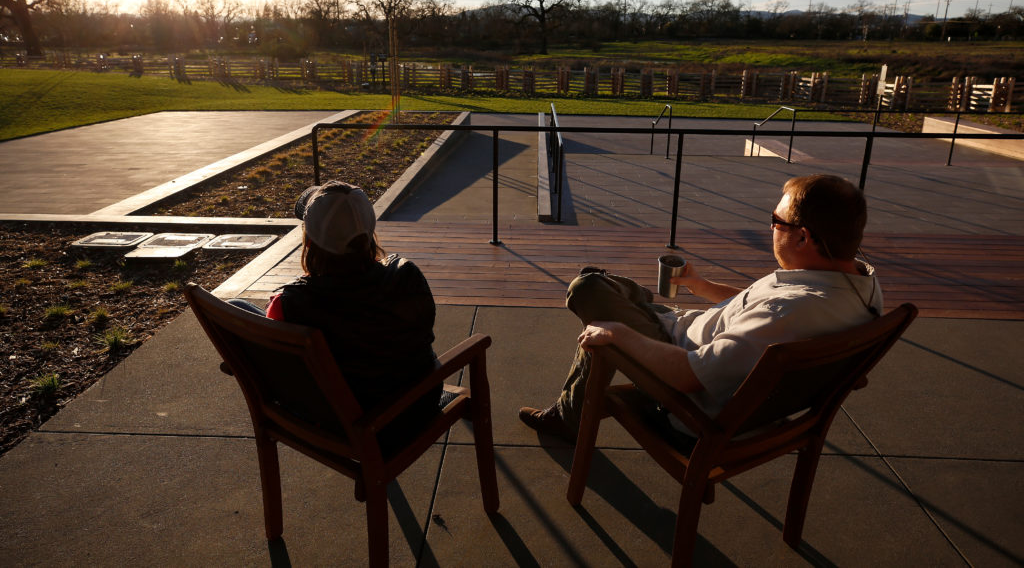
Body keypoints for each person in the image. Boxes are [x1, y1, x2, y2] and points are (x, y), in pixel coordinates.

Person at [519, 174, 883, 443]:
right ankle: (629, 309)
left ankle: (569, 415)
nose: (771, 227)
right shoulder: (860, 285)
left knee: (588, 289)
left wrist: (619, 333)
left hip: (683, 387)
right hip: (692, 333)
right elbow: (763, 315)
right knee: (604, 291)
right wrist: (703, 287)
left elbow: (690, 377)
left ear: (803, 237)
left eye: (776, 221)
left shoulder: (788, 312)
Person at [233, 180, 443, 447]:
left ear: (310, 240)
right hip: (416, 407)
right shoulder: (406, 275)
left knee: (237, 308)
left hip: (343, 423)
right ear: (369, 232)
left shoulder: (293, 302)